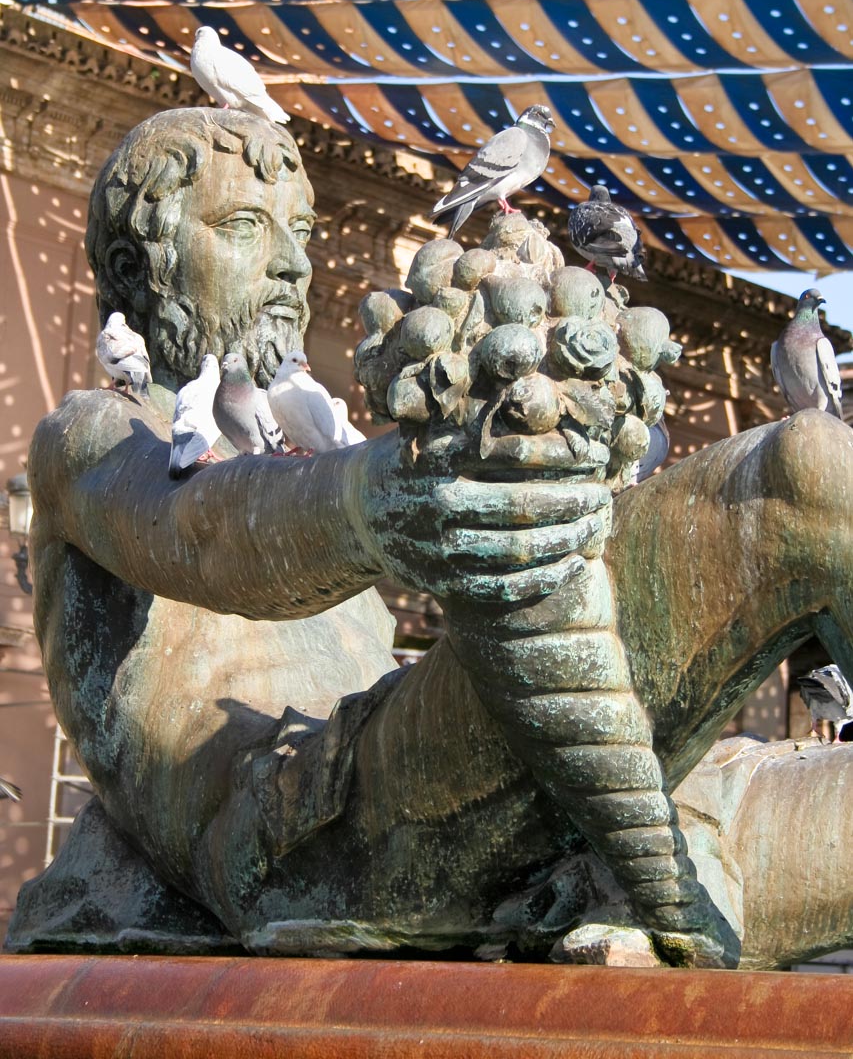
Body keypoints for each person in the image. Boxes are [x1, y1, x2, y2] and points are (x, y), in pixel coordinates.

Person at [11, 107, 853, 968]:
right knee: (805, 469)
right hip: (306, 832)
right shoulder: (94, 439)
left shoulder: (283, 452)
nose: (293, 263)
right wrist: (375, 496)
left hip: (474, 805)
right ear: (132, 267)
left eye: (299, 231)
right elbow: (205, 535)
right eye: (245, 229)